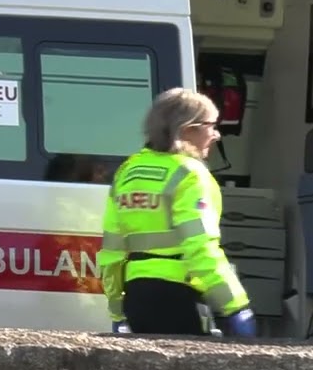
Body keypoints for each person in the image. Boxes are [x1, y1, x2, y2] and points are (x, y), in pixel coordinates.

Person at [97, 87, 256, 338]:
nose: (216, 134)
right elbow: (200, 247)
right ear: (187, 128)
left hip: (136, 298)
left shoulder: (128, 172)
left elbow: (112, 253)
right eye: (211, 125)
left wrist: (117, 312)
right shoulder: (189, 174)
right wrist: (235, 306)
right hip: (178, 298)